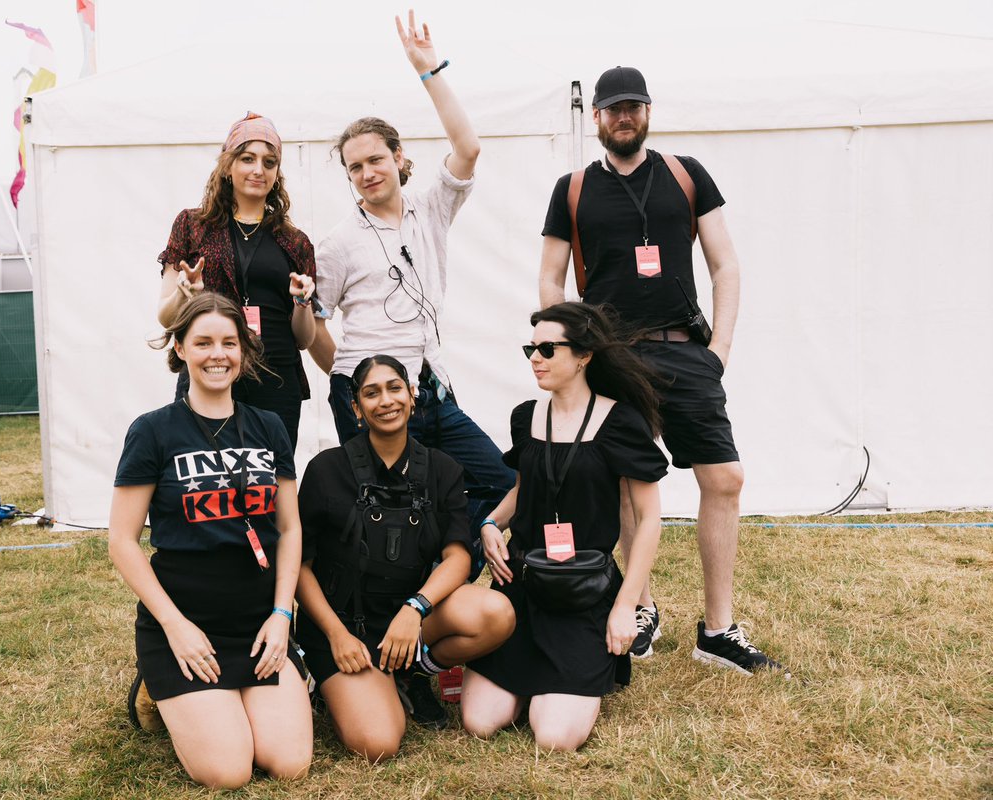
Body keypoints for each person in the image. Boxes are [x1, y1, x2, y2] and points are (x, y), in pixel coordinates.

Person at [537, 66, 786, 674]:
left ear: (647, 112)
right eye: (613, 108)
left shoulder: (686, 174)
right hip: (613, 355)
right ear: (597, 117)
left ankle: (718, 630)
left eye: (634, 106)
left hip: (685, 349)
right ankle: (641, 606)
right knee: (628, 483)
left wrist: (718, 350)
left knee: (723, 478)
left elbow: (725, 265)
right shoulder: (572, 189)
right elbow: (550, 277)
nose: (624, 117)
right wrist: (568, 351)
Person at [308, 11, 517, 724]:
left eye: (375, 159)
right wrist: (350, 383)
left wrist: (428, 69)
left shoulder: (431, 209)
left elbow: (469, 145)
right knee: (376, 527)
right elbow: (316, 325)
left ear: (399, 159)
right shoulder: (338, 243)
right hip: (369, 397)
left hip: (431, 391)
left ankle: (432, 641)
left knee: (499, 487)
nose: (367, 173)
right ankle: (379, 654)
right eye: (354, 167)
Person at [109, 292, 312, 788]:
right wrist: (175, 626)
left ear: (243, 350)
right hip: (186, 622)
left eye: (229, 342)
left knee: (290, 765)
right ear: (180, 348)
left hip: (258, 621)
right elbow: (122, 540)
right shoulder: (153, 431)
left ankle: (232, 699)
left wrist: (282, 615)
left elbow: (289, 528)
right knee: (228, 773)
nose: (217, 354)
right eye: (203, 343)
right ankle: (158, 683)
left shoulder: (268, 427)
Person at [462, 302, 667, 751]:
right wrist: (491, 524)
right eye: (531, 349)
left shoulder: (620, 421)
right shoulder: (525, 417)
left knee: (554, 738)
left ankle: (565, 682)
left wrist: (626, 607)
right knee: (479, 721)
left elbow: (649, 518)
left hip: (583, 591)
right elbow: (523, 491)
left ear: (584, 356)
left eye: (548, 349)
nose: (535, 359)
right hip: (521, 585)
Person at [295, 355, 515, 762]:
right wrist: (336, 635)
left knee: (496, 613)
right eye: (371, 393)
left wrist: (416, 608)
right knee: (377, 744)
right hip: (343, 628)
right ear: (356, 408)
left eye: (395, 388)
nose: (386, 401)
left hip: (409, 618)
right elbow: (299, 566)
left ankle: (410, 671)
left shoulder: (443, 469)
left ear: (413, 396)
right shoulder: (326, 469)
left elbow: (457, 556)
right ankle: (326, 680)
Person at [156, 112, 317, 450]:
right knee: (201, 469)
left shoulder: (295, 241)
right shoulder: (192, 225)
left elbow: (303, 340)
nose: (259, 169)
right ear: (228, 166)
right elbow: (166, 318)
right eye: (248, 159)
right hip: (210, 370)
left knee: (269, 474)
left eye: (269, 162)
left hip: (276, 379)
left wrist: (302, 303)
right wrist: (185, 293)